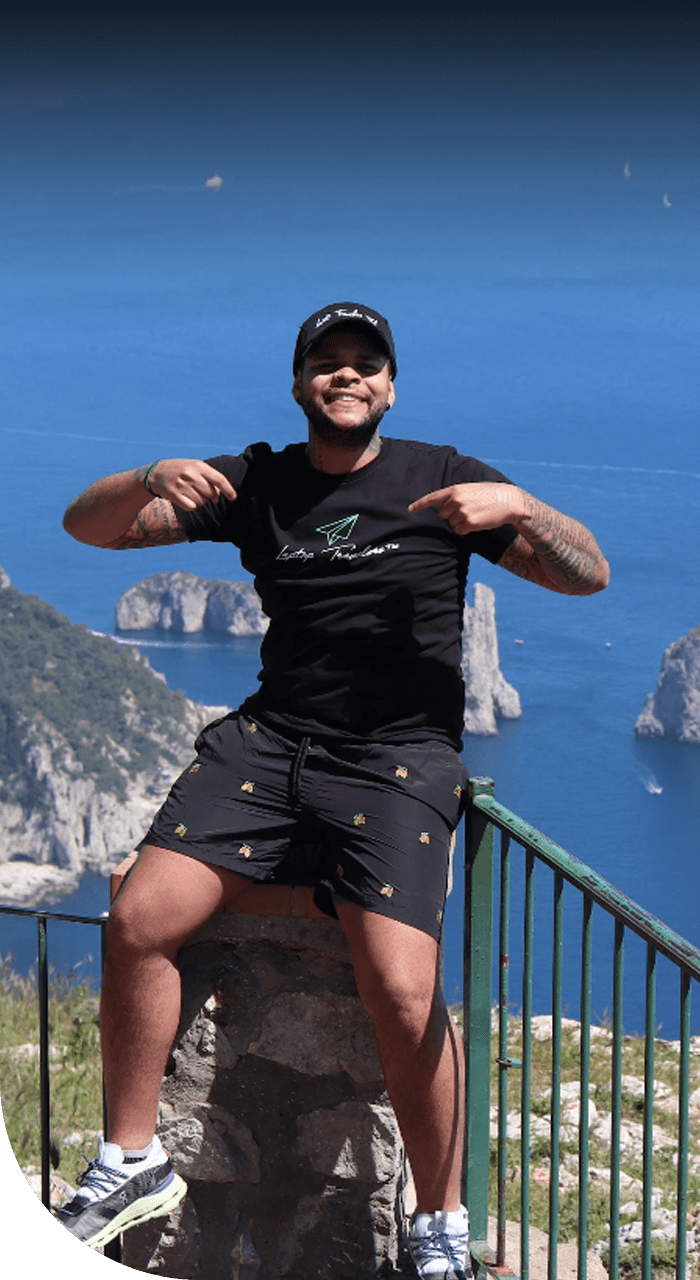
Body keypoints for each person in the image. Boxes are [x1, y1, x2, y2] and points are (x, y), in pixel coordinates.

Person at [57, 301, 609, 1277]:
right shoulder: (258, 481)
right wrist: (148, 475)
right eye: (327, 361)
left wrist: (522, 508)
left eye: (365, 363)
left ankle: (438, 1220)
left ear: (390, 385)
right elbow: (87, 526)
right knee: (138, 915)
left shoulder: (446, 477)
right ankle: (130, 1156)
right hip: (269, 746)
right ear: (300, 381)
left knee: (401, 987)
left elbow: (586, 576)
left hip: (396, 758)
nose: (345, 375)